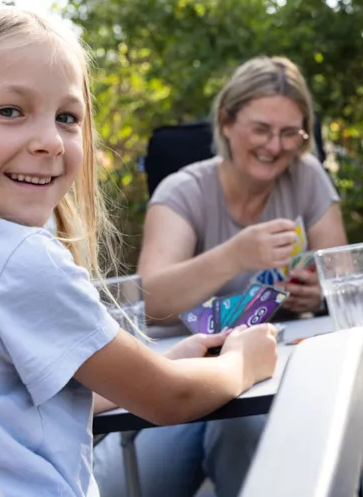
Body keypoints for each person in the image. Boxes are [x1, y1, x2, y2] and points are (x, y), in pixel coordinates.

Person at [0, 6, 279, 497]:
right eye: (10, 111)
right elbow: (169, 399)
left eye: (67, 118)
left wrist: (163, 364)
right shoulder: (17, 259)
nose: (50, 142)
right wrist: (244, 362)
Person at [93, 55, 347, 497]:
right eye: (261, 129)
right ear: (227, 122)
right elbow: (151, 301)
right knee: (119, 488)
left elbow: (343, 271)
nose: (275, 146)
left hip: (271, 373)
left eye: (291, 133)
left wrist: (316, 292)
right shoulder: (183, 190)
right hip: (180, 374)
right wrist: (235, 255)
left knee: (248, 433)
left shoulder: (306, 177)